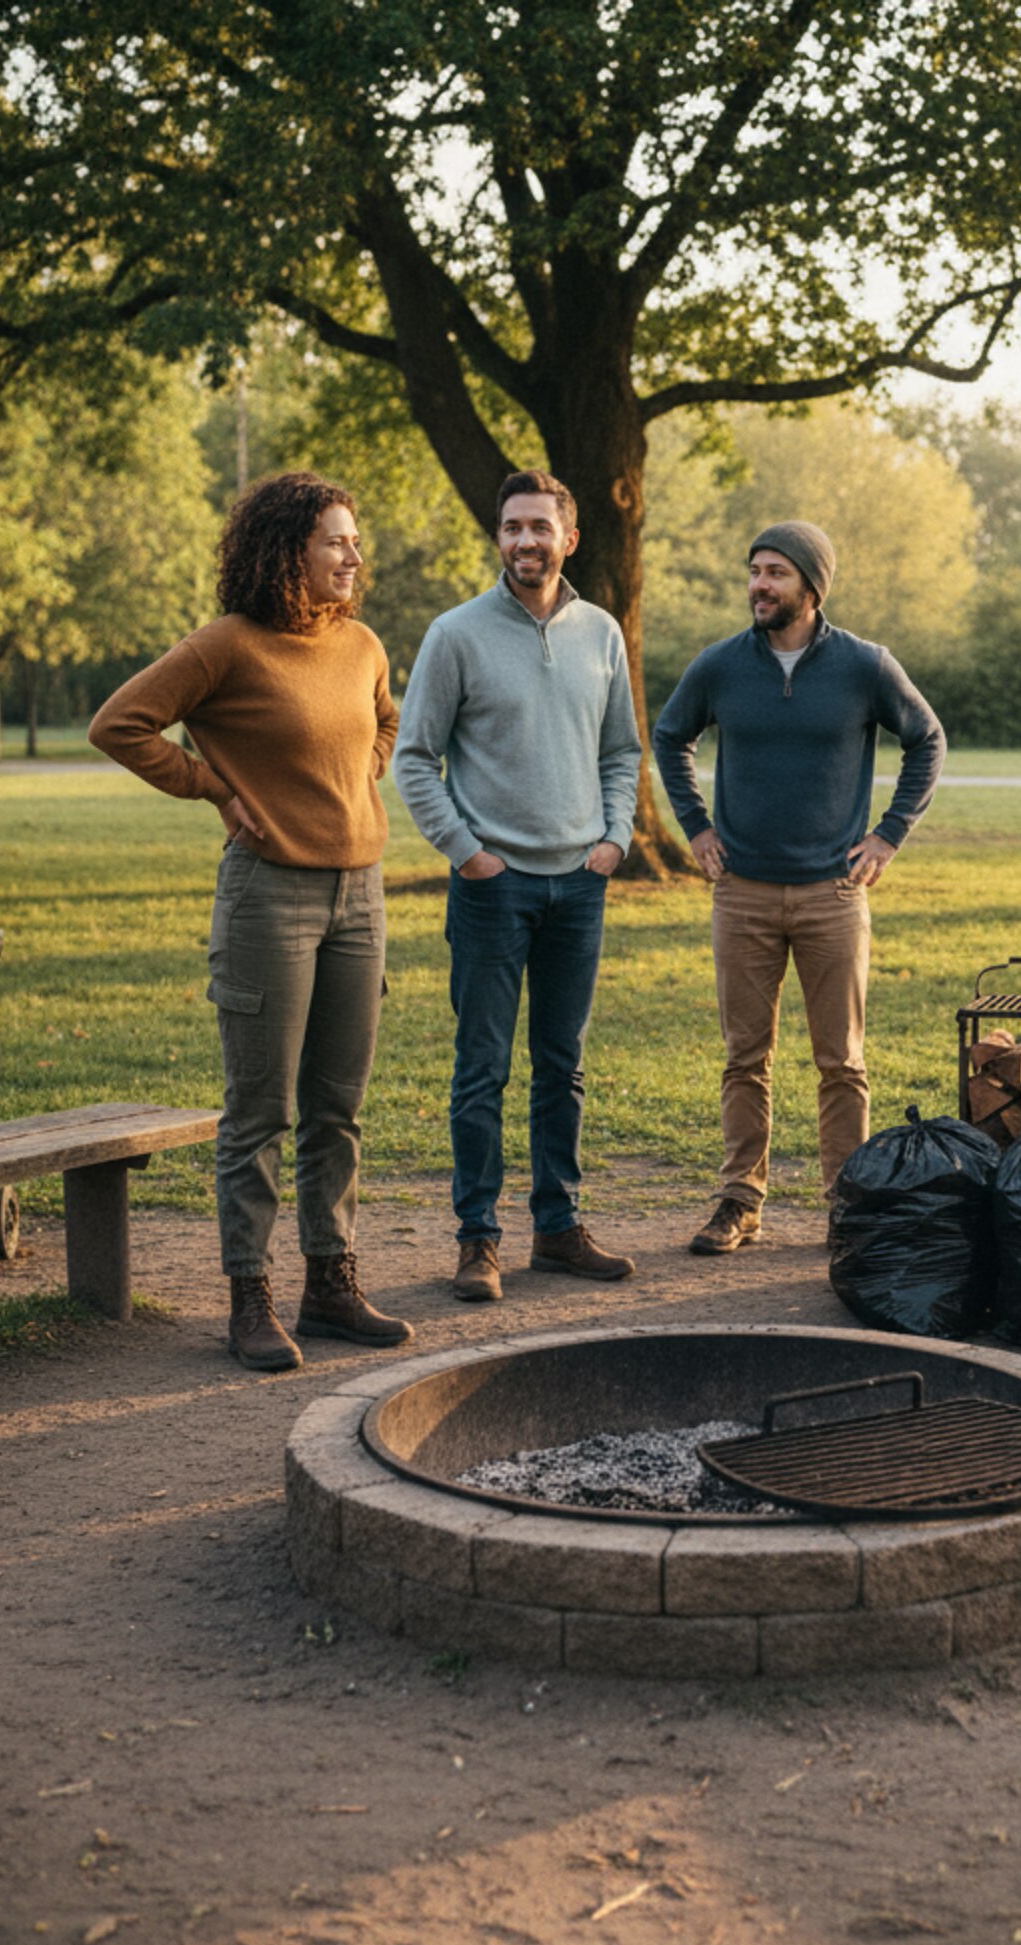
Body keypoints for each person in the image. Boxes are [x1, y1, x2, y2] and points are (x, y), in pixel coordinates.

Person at [89, 472, 412, 1370]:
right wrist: (214, 786)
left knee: (337, 1108)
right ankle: (249, 1298)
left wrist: (362, 774)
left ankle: (331, 1286)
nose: (353, 556)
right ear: (287, 553)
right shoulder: (227, 646)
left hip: (360, 897)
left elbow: (385, 721)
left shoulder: (360, 644)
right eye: (335, 542)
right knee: (260, 1110)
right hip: (270, 897)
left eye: (355, 541)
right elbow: (120, 725)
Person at [652, 520, 946, 1254]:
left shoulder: (866, 667)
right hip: (742, 890)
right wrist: (694, 824)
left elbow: (927, 740)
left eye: (776, 572)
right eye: (754, 570)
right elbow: (669, 735)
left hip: (833, 894)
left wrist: (889, 834)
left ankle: (847, 1206)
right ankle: (739, 1201)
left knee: (841, 1061)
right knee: (743, 1058)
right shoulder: (720, 666)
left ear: (812, 587)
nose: (759, 584)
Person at [393, 470, 642, 1303]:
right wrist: (466, 852)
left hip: (580, 884)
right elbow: (415, 757)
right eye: (510, 528)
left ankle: (559, 1227)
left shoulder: (601, 632)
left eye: (539, 526)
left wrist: (614, 838)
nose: (524, 541)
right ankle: (478, 1239)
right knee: (481, 1069)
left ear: (569, 538)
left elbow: (621, 751)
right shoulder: (455, 634)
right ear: (498, 539)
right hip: (492, 888)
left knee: (562, 1066)